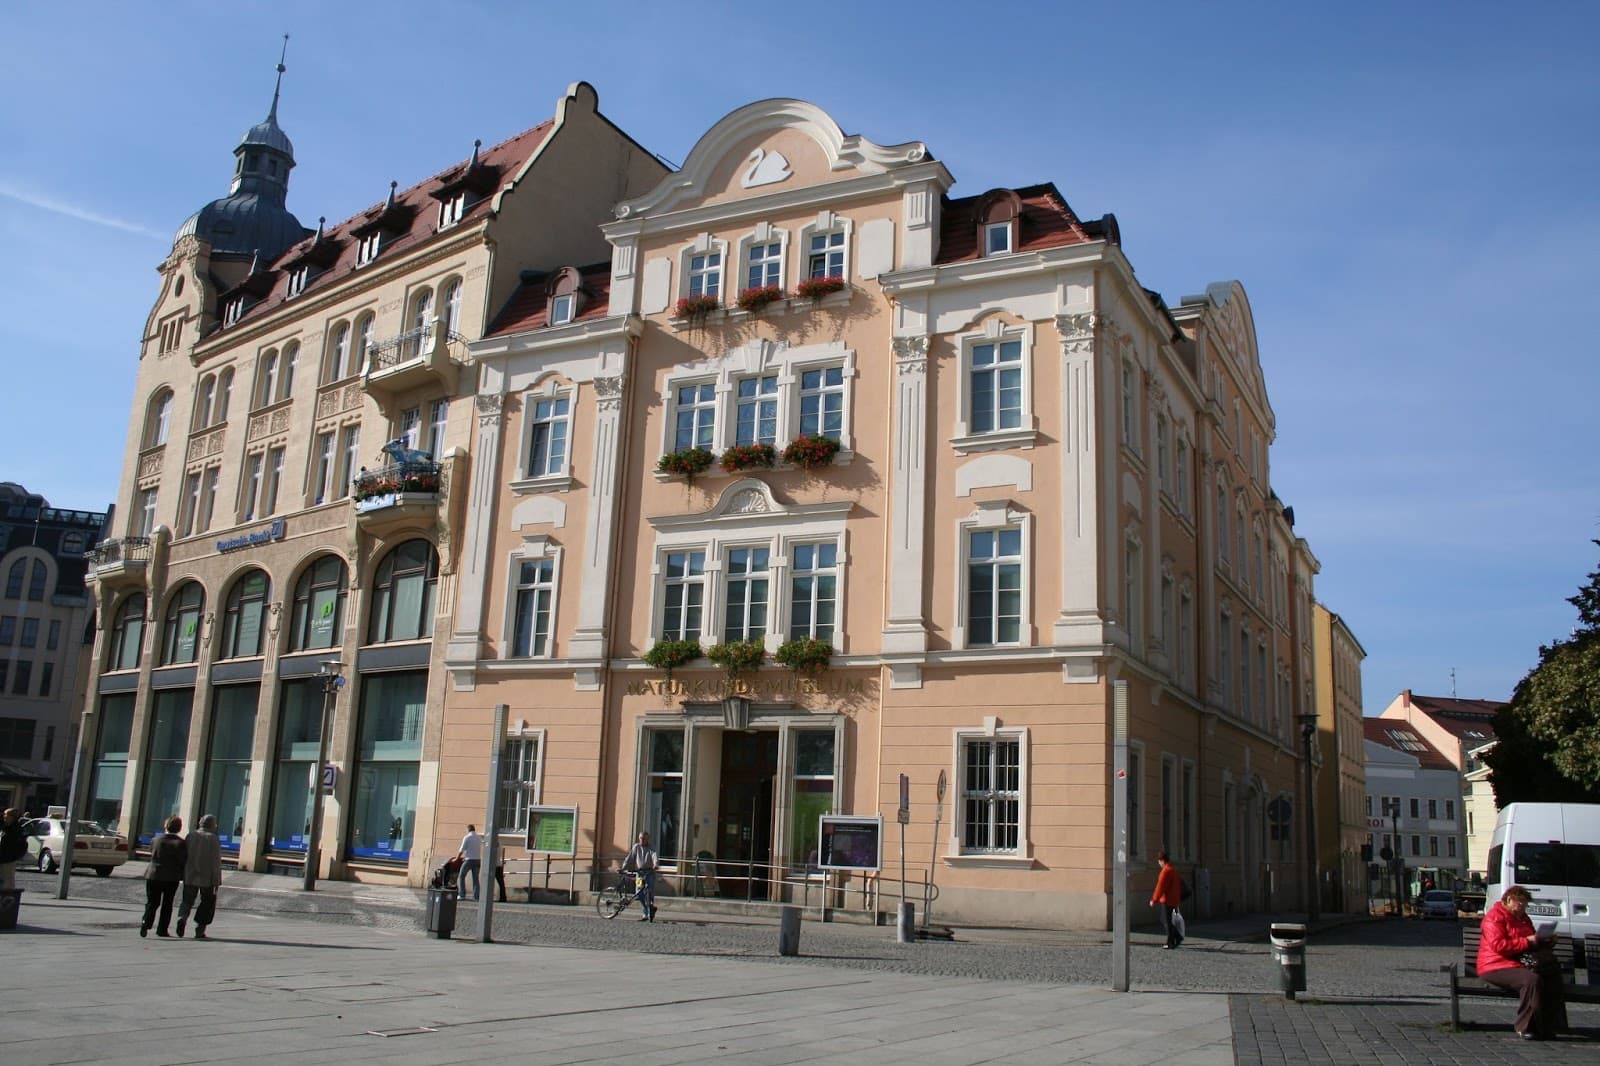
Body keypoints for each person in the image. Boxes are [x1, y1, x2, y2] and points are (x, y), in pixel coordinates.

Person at [1477, 884, 1569, 1040]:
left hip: (1519, 963)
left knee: (1553, 978)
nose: (1523, 908)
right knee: (1531, 980)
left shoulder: (1523, 919)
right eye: (1520, 903)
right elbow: (1499, 946)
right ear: (1509, 900)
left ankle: (1547, 1026)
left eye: (1525, 904)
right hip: (1495, 965)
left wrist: (1546, 940)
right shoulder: (1494, 918)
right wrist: (1527, 941)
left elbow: (1533, 940)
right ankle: (1525, 1026)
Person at [177, 814, 224, 940]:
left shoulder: (191, 835)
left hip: (190, 874)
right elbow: (215, 861)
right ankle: (200, 930)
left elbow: (184, 855)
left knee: (187, 900)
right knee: (207, 903)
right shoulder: (213, 838)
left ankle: (182, 918)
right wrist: (217, 879)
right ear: (211, 825)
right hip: (207, 877)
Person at [140, 816, 187, 938]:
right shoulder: (180, 843)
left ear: (165, 826)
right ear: (179, 828)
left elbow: (151, 854)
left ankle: (146, 922)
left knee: (152, 902)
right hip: (171, 877)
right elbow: (182, 860)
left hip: (153, 874)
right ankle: (162, 929)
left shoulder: (156, 840)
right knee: (167, 904)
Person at [1149, 850, 1184, 949]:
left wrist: (1154, 899)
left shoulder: (1165, 871)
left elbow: (1160, 887)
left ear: (1162, 860)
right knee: (1167, 921)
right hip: (1174, 899)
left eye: (1159, 861)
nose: (1158, 863)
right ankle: (1174, 939)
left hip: (1167, 900)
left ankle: (1172, 941)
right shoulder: (1173, 870)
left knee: (1166, 921)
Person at [621, 831, 658, 922]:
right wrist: (623, 867)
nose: (642, 840)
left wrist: (655, 864)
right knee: (639, 892)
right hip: (640, 873)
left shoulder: (651, 848)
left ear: (647, 839)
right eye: (641, 838)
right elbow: (630, 858)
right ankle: (646, 910)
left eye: (644, 838)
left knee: (649, 892)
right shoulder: (636, 847)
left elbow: (654, 856)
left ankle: (648, 913)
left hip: (649, 873)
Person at [0, 808, 27, 890]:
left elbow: (21, 845)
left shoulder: (16, 829)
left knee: (7, 880)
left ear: (12, 817)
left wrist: (14, 856)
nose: (4, 816)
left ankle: (8, 898)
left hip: (8, 859)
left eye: (6, 815)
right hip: (2, 857)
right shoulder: (5, 827)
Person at [457, 824, 483, 901]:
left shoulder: (467, 837)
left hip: (469, 860)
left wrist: (457, 858)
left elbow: (462, 849)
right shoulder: (479, 837)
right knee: (475, 879)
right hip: (477, 860)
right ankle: (476, 896)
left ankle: (462, 894)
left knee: (461, 876)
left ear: (468, 829)